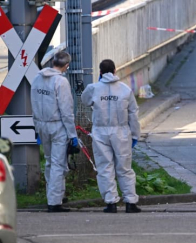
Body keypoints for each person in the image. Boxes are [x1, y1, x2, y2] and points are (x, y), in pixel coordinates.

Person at [81, 59, 141, 213]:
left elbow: (85, 100)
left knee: (105, 167)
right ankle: (130, 202)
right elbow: (133, 113)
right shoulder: (125, 90)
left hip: (100, 132)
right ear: (115, 71)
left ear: (100, 72)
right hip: (121, 131)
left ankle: (111, 202)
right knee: (124, 167)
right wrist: (135, 135)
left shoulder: (93, 88)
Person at [30, 51, 78, 213]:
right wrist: (73, 135)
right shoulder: (61, 82)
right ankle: (55, 202)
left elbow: (34, 103)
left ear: (52, 62)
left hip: (42, 125)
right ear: (66, 66)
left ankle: (56, 194)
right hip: (57, 126)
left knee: (50, 162)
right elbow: (66, 110)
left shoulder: (37, 78)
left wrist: (36, 128)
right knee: (59, 164)